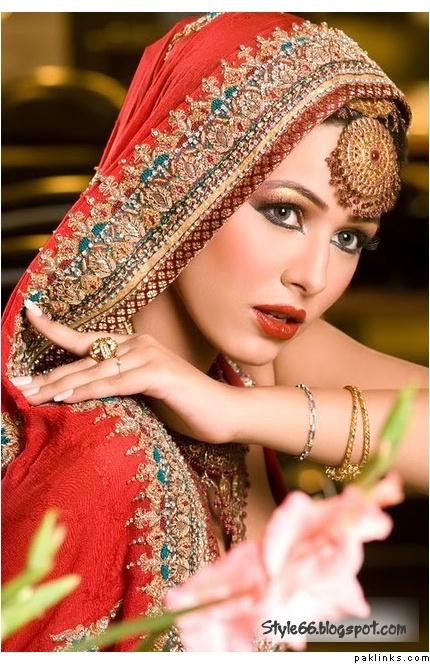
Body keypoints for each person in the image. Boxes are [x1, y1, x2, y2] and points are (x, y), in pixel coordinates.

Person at [1, 12, 428, 652]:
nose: (313, 277)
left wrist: (233, 411)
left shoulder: (248, 360)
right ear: (184, 187)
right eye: (284, 211)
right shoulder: (98, 456)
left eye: (349, 239)